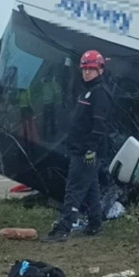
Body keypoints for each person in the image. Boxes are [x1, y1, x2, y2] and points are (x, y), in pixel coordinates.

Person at [42, 50, 111, 243]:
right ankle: (95, 223)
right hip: (80, 148)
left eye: (91, 69)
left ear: (100, 69)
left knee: (74, 189)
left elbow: (99, 125)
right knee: (91, 188)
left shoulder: (99, 93)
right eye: (85, 69)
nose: (87, 73)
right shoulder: (88, 90)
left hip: (85, 152)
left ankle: (64, 228)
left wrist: (91, 148)